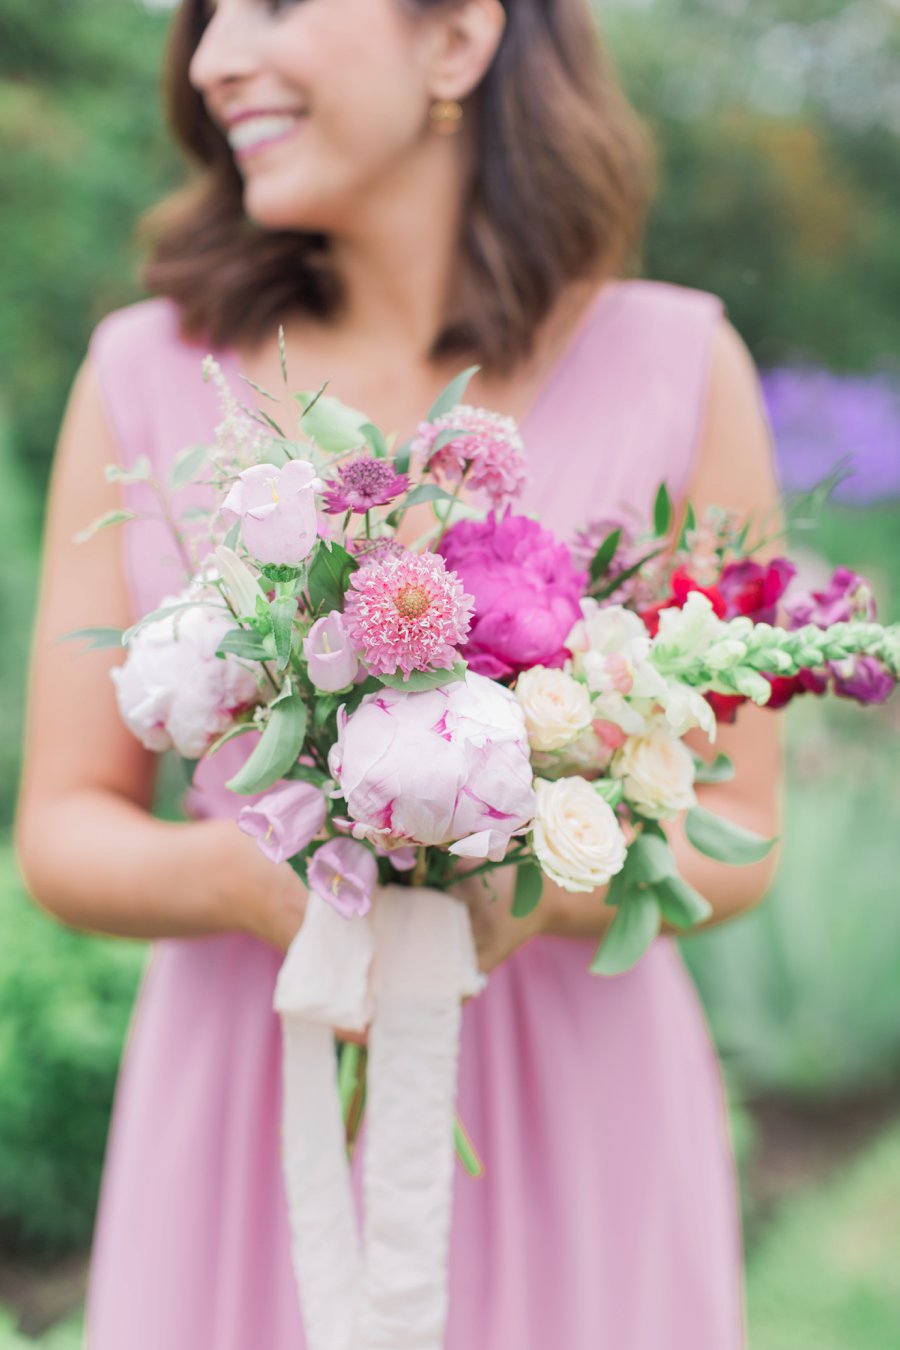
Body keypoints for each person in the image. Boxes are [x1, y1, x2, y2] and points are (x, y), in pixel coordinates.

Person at [16, 0, 782, 1346]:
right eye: (202, 21)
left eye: (268, 5)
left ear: (457, 39)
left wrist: (521, 890)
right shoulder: (144, 374)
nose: (208, 60)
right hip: (250, 1095)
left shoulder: (682, 367)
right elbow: (63, 830)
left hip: (578, 1121)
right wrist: (251, 881)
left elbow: (745, 832)